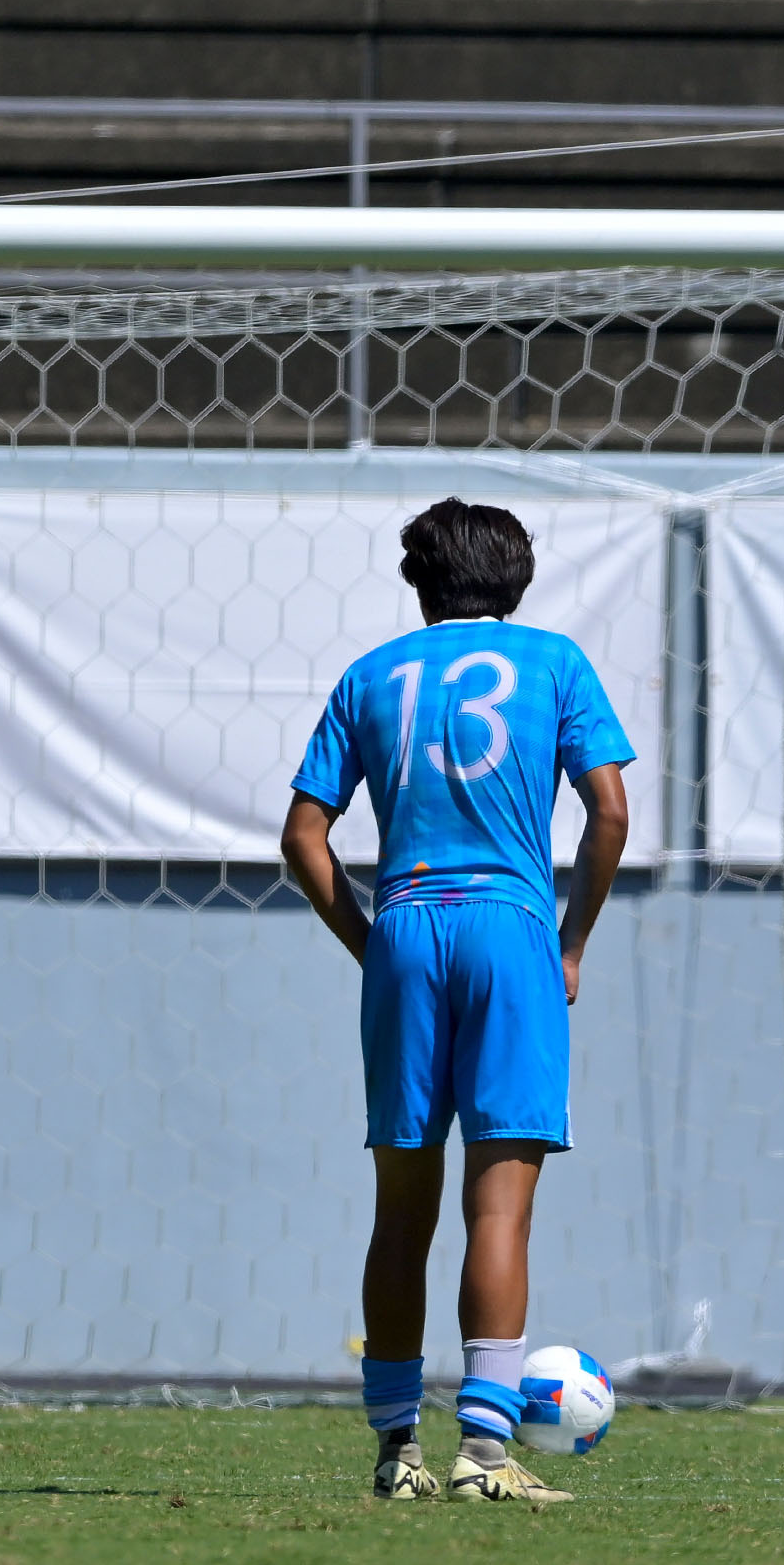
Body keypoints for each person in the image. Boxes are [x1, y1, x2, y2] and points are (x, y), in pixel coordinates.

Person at [280, 499, 631, 1505]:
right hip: (510, 932)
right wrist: (570, 940)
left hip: (406, 929)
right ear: (516, 580)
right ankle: (483, 1455)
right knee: (499, 1209)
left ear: (418, 581)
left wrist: (369, 942)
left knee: (400, 1210)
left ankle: (397, 1453)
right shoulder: (554, 662)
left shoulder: (370, 675)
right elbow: (608, 810)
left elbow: (303, 837)